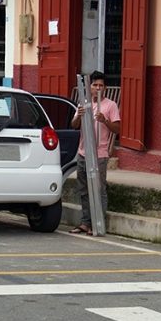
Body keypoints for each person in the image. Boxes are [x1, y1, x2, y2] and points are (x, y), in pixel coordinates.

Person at [70, 70, 120, 234]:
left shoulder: (110, 105)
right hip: (83, 152)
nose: (98, 88)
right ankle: (85, 222)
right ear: (89, 87)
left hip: (99, 154)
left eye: (101, 85)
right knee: (83, 189)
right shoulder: (83, 103)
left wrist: (104, 120)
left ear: (105, 88)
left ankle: (97, 222)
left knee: (99, 189)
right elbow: (74, 125)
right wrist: (79, 116)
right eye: (95, 85)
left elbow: (117, 128)